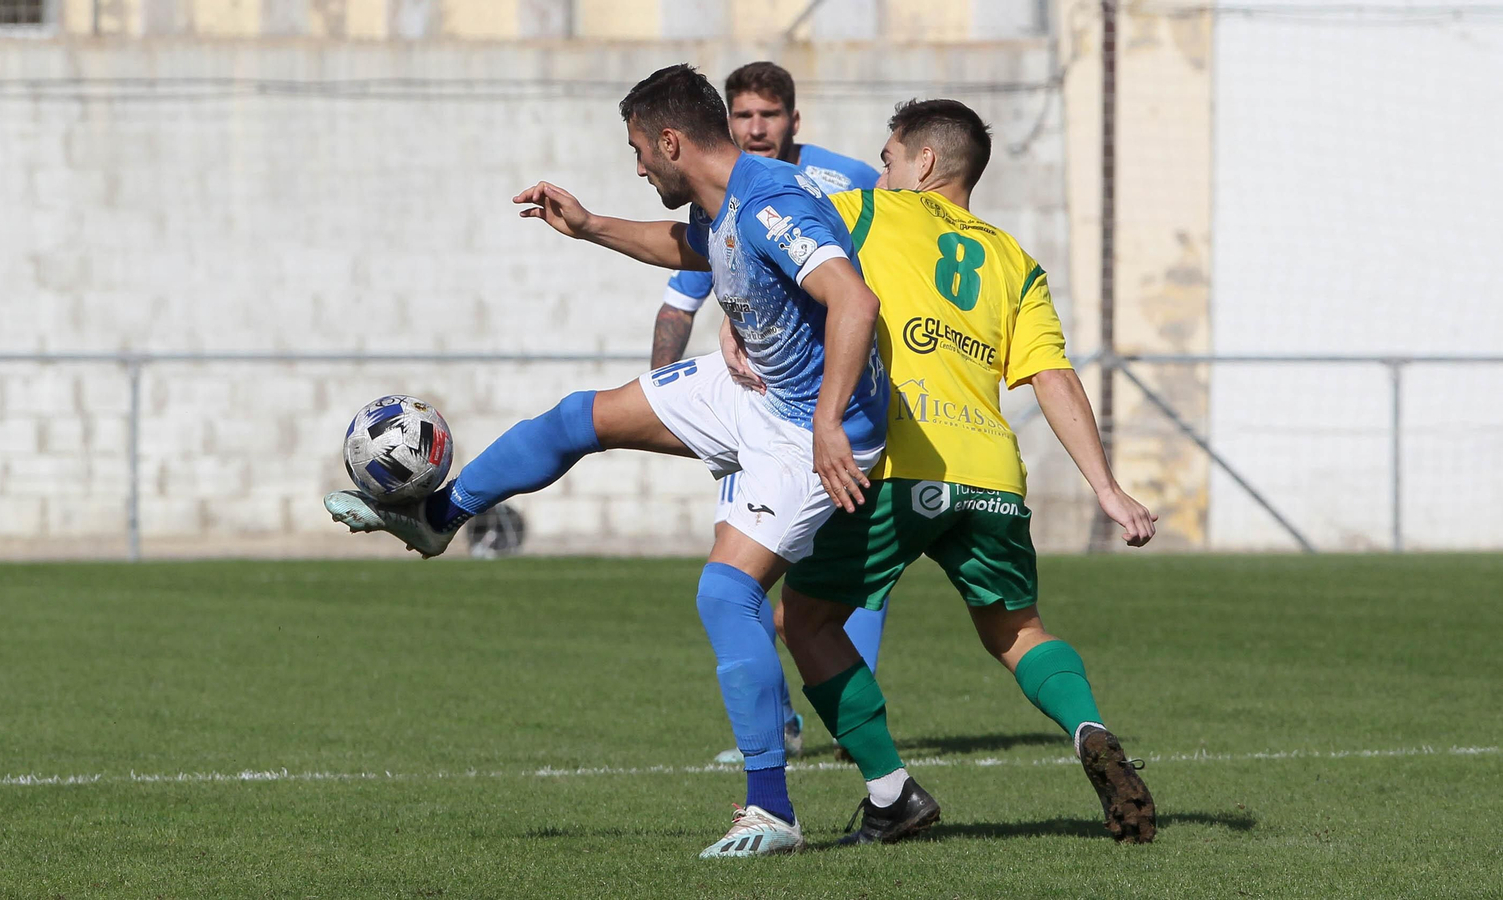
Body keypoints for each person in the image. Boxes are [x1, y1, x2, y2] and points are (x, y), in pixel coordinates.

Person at [323, 64, 889, 858]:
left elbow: (855, 300)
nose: (636, 167)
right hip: (760, 396)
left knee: (727, 594)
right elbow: (682, 244)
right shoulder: (724, 200)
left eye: (637, 150)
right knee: (578, 417)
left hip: (810, 429)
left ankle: (773, 813)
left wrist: (829, 421)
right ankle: (439, 515)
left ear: (670, 140)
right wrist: (590, 227)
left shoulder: (774, 202)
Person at [726, 99, 1159, 846]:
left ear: (923, 163)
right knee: (1017, 629)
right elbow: (1051, 376)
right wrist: (1107, 489)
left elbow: (763, 247)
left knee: (804, 619)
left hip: (892, 464)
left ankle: (893, 793)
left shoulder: (860, 212)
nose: (882, 169)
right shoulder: (1015, 259)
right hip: (989, 474)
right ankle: (1087, 725)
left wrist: (731, 314)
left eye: (890, 157)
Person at [645, 60, 888, 767]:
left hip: (835, 408)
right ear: (726, 122)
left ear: (793, 120)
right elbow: (682, 294)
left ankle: (853, 745)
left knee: (839, 578)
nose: (756, 129)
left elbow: (871, 271)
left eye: (769, 115)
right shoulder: (719, 193)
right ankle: (780, 725)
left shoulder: (845, 180)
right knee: (741, 580)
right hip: (756, 406)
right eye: (743, 116)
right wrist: (674, 389)